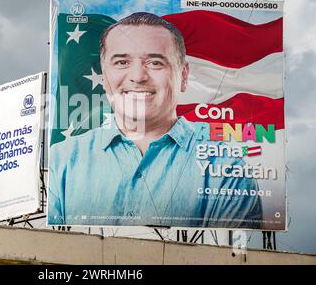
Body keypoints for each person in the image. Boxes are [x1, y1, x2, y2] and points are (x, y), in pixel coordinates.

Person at [48, 12, 263, 228]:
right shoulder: (62, 160)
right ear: (104, 77)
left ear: (184, 76)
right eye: (122, 62)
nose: (138, 77)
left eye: (155, 63)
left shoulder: (226, 167)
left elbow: (228, 259)